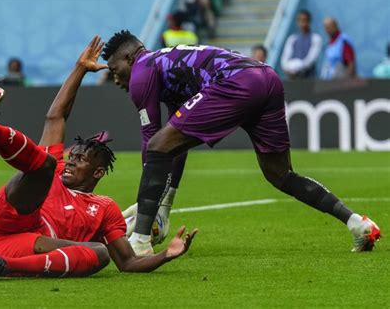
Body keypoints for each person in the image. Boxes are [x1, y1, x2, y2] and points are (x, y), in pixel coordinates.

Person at [102, 30, 380, 256]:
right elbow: (173, 147)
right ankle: (357, 223)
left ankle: (139, 243)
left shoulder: (141, 70)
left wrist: (146, 203)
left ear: (129, 56)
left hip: (237, 82)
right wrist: (163, 206)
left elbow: (153, 142)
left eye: (115, 69)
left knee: (157, 145)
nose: (116, 79)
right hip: (267, 78)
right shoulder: (166, 67)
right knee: (280, 174)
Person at [0, 36, 197, 279]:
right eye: (73, 156)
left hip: (25, 246)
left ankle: (0, 266)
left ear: (97, 172)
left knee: (101, 253)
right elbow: (55, 118)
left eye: (80, 160)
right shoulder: (56, 169)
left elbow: (128, 262)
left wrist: (166, 255)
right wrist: (80, 69)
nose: (71, 161)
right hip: (1, 222)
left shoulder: (105, 208)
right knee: (44, 165)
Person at [281, 10, 322, 79]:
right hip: (293, 78)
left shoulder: (315, 38)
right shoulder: (292, 39)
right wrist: (288, 68)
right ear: (297, 22)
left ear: (309, 21)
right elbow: (285, 58)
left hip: (309, 78)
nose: (303, 23)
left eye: (305, 20)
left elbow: (311, 59)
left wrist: (296, 69)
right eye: (300, 20)